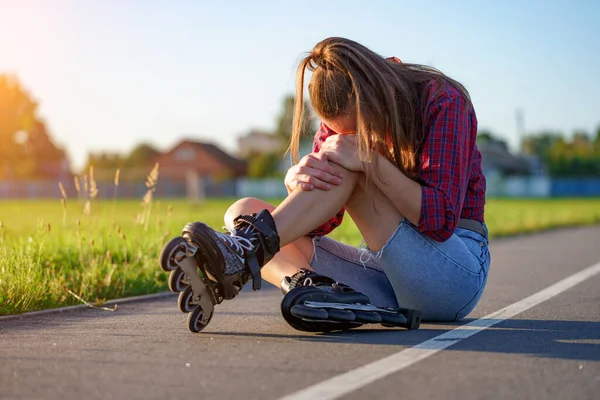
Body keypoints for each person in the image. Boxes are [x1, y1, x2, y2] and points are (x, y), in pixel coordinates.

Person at [179, 37, 491, 331]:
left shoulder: (443, 100)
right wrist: (297, 182)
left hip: (453, 275)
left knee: (348, 167)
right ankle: (307, 287)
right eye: (336, 131)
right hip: (385, 272)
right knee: (243, 210)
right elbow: (322, 223)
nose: (347, 138)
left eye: (359, 130)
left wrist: (368, 160)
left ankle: (244, 254)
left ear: (374, 98)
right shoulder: (336, 130)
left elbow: (441, 220)